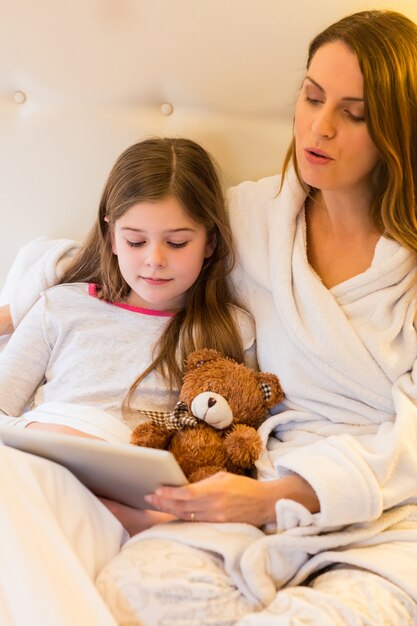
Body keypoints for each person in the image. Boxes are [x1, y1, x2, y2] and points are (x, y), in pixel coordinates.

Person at [2, 8, 417, 626]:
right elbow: (121, 250)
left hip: (382, 502)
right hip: (256, 486)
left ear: (397, 132)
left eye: (353, 114)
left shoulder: (406, 270)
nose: (319, 128)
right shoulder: (258, 219)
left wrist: (278, 496)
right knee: (133, 592)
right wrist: (22, 303)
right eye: (310, 96)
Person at [0, 137, 256, 626]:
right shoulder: (61, 305)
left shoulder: (229, 330)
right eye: (135, 241)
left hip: (132, 480)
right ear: (110, 234)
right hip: (36, 452)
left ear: (211, 242)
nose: (154, 259)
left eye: (177, 242)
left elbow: (235, 443)